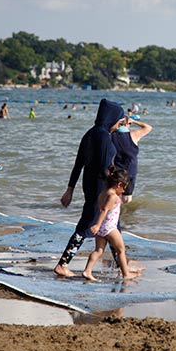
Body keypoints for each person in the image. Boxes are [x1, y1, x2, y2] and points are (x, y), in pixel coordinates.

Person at [54, 99, 125, 277]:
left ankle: (122, 267)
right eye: (118, 121)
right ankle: (62, 264)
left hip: (89, 185)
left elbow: (78, 164)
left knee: (113, 226)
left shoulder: (90, 134)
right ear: (111, 118)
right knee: (87, 226)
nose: (118, 125)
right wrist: (115, 186)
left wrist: (70, 188)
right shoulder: (105, 139)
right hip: (102, 190)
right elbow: (105, 168)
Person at [81, 169, 140, 281]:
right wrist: (97, 225)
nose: (123, 191)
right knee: (121, 250)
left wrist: (98, 226)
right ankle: (126, 273)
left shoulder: (102, 193)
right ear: (119, 185)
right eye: (124, 188)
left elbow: (102, 209)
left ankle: (87, 271)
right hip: (109, 227)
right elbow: (104, 210)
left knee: (98, 250)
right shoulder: (113, 196)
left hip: (102, 228)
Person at [112, 116, 153, 204]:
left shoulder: (110, 135)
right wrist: (134, 121)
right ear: (127, 124)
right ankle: (126, 216)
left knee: (114, 196)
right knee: (127, 199)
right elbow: (148, 128)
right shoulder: (133, 134)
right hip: (130, 171)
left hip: (116, 171)